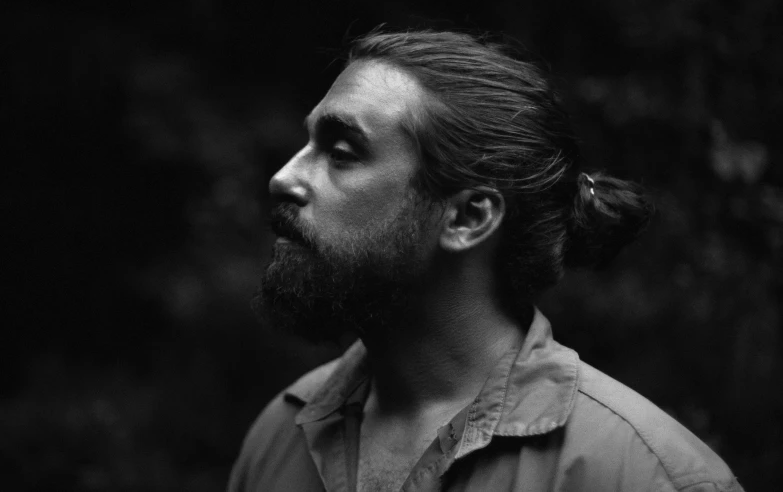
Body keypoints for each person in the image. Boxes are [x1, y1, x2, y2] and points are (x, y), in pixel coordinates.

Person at [227, 29, 744, 492]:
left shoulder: (645, 476)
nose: (284, 177)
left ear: (468, 217)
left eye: (341, 153)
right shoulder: (282, 432)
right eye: (308, 142)